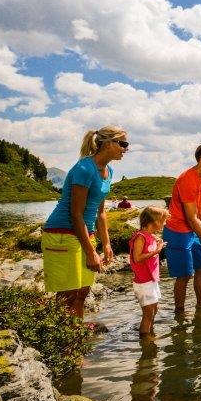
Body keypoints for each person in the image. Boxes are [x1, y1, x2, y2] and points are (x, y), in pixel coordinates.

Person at [42, 126, 128, 318]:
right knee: (69, 294)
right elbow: (76, 214)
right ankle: (64, 342)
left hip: (85, 233)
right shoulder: (84, 168)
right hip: (62, 233)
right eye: (122, 144)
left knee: (82, 292)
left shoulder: (109, 171)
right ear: (107, 143)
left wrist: (106, 243)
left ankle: (76, 339)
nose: (125, 148)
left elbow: (101, 211)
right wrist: (91, 253)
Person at [163, 143, 201, 311]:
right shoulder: (187, 179)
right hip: (177, 232)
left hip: (193, 231)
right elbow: (191, 217)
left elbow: (200, 206)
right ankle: (179, 313)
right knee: (184, 275)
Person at [130, 206, 168, 337]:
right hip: (143, 282)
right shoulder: (140, 237)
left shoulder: (150, 236)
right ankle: (145, 342)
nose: (165, 224)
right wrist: (156, 251)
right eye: (163, 221)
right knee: (148, 314)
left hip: (151, 281)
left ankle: (150, 334)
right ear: (154, 222)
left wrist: (158, 243)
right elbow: (137, 258)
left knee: (155, 309)